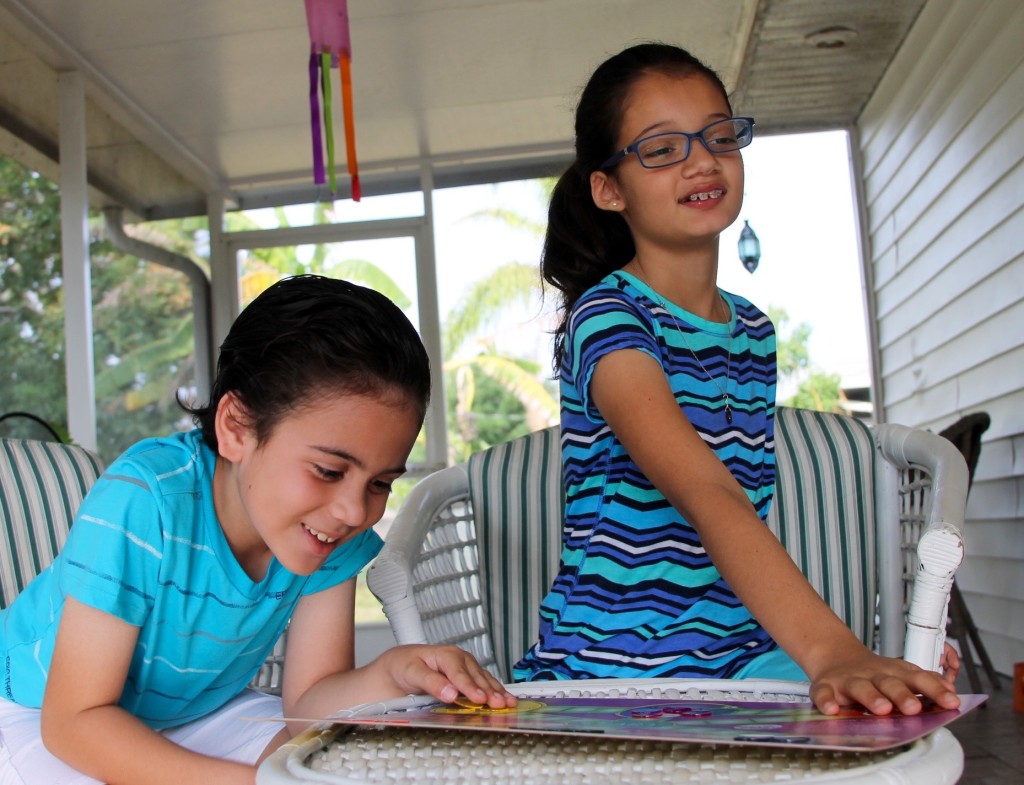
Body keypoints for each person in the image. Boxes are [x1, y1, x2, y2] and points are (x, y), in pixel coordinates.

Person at [513, 42, 960, 717]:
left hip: (737, 651)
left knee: (903, 707)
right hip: (614, 662)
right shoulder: (608, 317)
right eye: (661, 149)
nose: (702, 159)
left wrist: (860, 658)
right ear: (608, 188)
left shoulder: (753, 329)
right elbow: (707, 489)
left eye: (719, 135)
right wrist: (834, 651)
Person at [0, 275, 514, 785]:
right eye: (329, 471)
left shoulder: (328, 530)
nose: (355, 511)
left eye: (380, 482)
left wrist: (392, 672)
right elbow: (75, 723)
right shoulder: (145, 501)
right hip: (39, 712)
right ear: (236, 427)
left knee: (329, 768)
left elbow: (308, 704)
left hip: (196, 713)